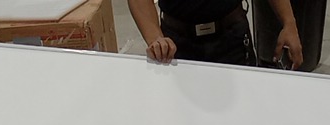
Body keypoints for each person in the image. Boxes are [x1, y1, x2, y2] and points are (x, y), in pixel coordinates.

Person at [127, 0, 303, 69]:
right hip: (175, 45)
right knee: (182, 120)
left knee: (243, 118)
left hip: (232, 39)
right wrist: (155, 38)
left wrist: (289, 22)